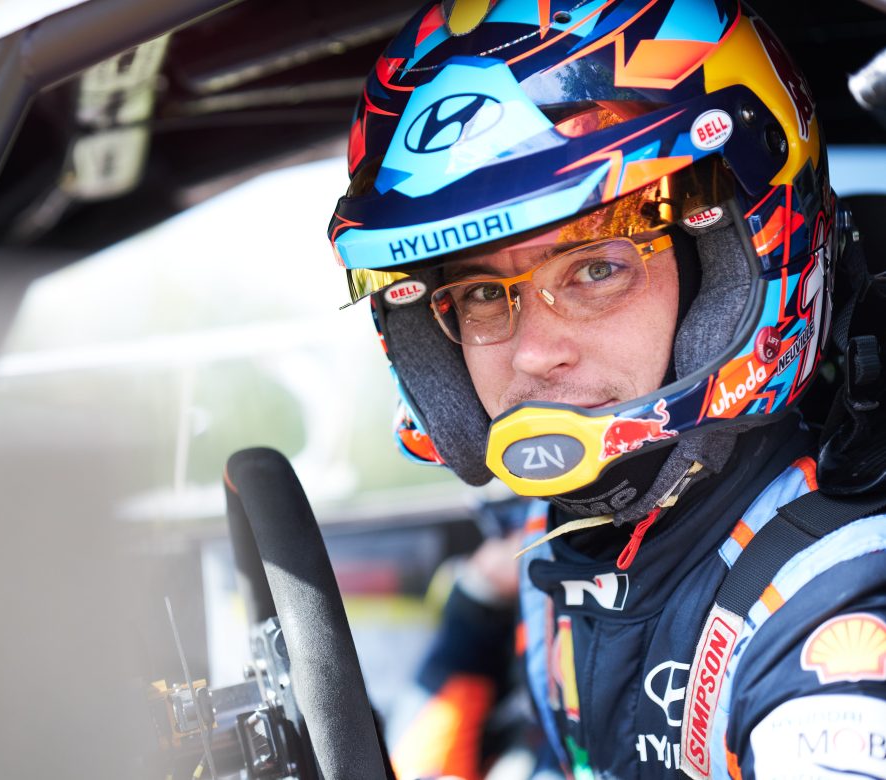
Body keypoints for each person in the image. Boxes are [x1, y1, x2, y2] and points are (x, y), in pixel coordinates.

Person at [326, 1, 886, 778]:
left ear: (725, 267)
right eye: (482, 294)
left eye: (596, 269)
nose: (533, 355)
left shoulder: (835, 614)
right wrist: (473, 610)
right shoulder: (550, 530)